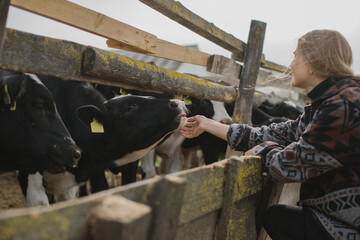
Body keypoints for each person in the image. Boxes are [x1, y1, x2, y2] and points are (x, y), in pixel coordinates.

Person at [180, 29, 360, 240]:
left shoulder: (342, 107)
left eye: (295, 56)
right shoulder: (334, 102)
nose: (291, 64)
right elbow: (277, 133)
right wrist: (208, 124)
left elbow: (288, 165)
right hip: (344, 217)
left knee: (278, 219)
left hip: (349, 227)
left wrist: (263, 152)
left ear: (312, 61)